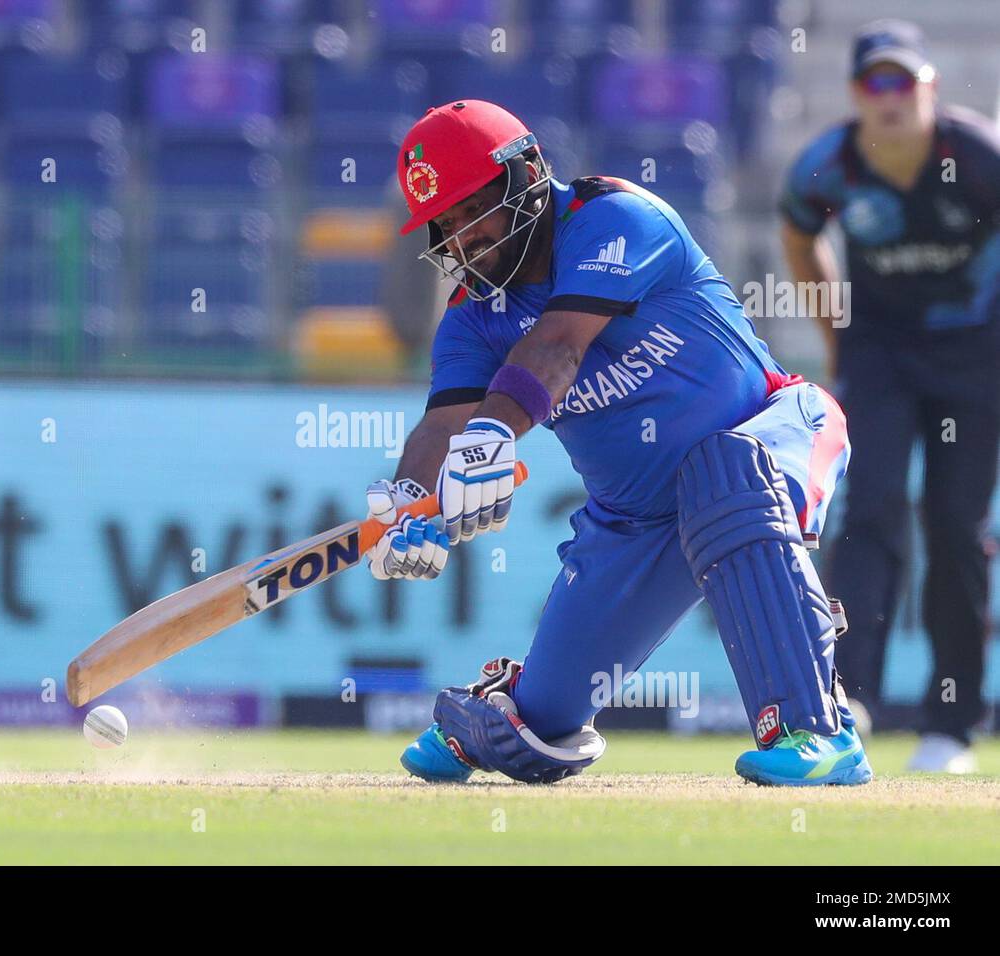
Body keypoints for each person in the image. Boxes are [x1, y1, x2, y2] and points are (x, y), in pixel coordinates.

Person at [361, 98, 868, 786]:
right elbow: (440, 425)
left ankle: (818, 730)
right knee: (534, 734)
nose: (461, 241)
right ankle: (508, 704)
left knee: (724, 475)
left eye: (470, 211)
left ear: (526, 177)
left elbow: (558, 345)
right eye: (443, 226)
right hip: (634, 520)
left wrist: (493, 432)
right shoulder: (471, 320)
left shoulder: (614, 219)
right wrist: (411, 500)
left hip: (770, 431)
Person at [780, 20, 1000, 773]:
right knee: (868, 509)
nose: (891, 97)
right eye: (877, 82)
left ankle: (951, 725)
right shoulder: (829, 165)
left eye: (904, 81)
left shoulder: (980, 157)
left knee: (957, 527)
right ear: (855, 95)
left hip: (976, 353)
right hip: (879, 354)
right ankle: (850, 699)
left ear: (929, 87)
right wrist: (839, 336)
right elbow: (798, 234)